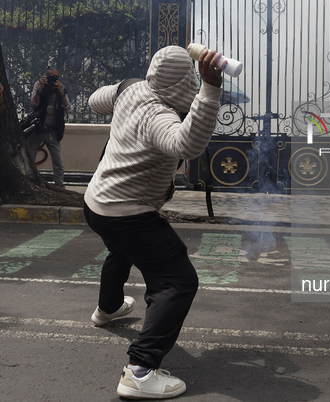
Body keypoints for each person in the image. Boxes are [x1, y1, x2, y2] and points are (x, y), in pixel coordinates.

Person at [84, 45, 225, 400]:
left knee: (122, 250)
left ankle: (109, 308)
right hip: (128, 210)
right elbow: (186, 145)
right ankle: (140, 371)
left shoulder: (130, 88)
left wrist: (119, 97)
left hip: (96, 201)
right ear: (186, 81)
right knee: (177, 281)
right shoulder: (158, 115)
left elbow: (94, 100)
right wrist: (210, 89)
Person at [26, 66, 69, 188]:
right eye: (50, 76)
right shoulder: (38, 85)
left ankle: (59, 186)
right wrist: (40, 88)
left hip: (52, 130)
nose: (53, 79)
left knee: (57, 161)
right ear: (45, 76)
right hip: (37, 128)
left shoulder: (62, 88)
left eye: (56, 76)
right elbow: (34, 104)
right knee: (29, 159)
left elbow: (67, 107)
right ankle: (30, 184)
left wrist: (61, 92)